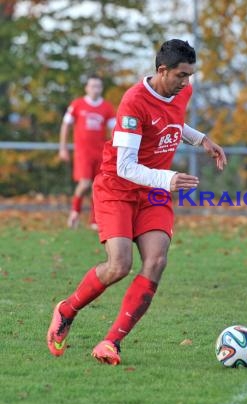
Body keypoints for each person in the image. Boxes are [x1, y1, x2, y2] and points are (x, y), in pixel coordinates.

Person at [47, 39, 227, 365]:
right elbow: (125, 166)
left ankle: (111, 342)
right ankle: (66, 310)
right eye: (182, 75)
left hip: (153, 192)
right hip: (118, 188)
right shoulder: (133, 102)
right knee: (119, 265)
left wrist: (202, 140)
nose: (187, 83)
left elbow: (172, 122)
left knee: (156, 261)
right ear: (162, 71)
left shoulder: (179, 92)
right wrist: (167, 179)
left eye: (190, 75)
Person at [59, 74, 116, 230]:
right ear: (86, 87)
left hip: (101, 153)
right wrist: (63, 147)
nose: (95, 89)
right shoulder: (77, 104)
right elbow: (65, 125)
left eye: (98, 86)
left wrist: (115, 151)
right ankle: (75, 212)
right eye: (92, 86)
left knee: (98, 186)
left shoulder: (107, 107)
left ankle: (94, 220)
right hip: (83, 153)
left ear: (101, 88)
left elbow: (114, 130)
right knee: (84, 184)